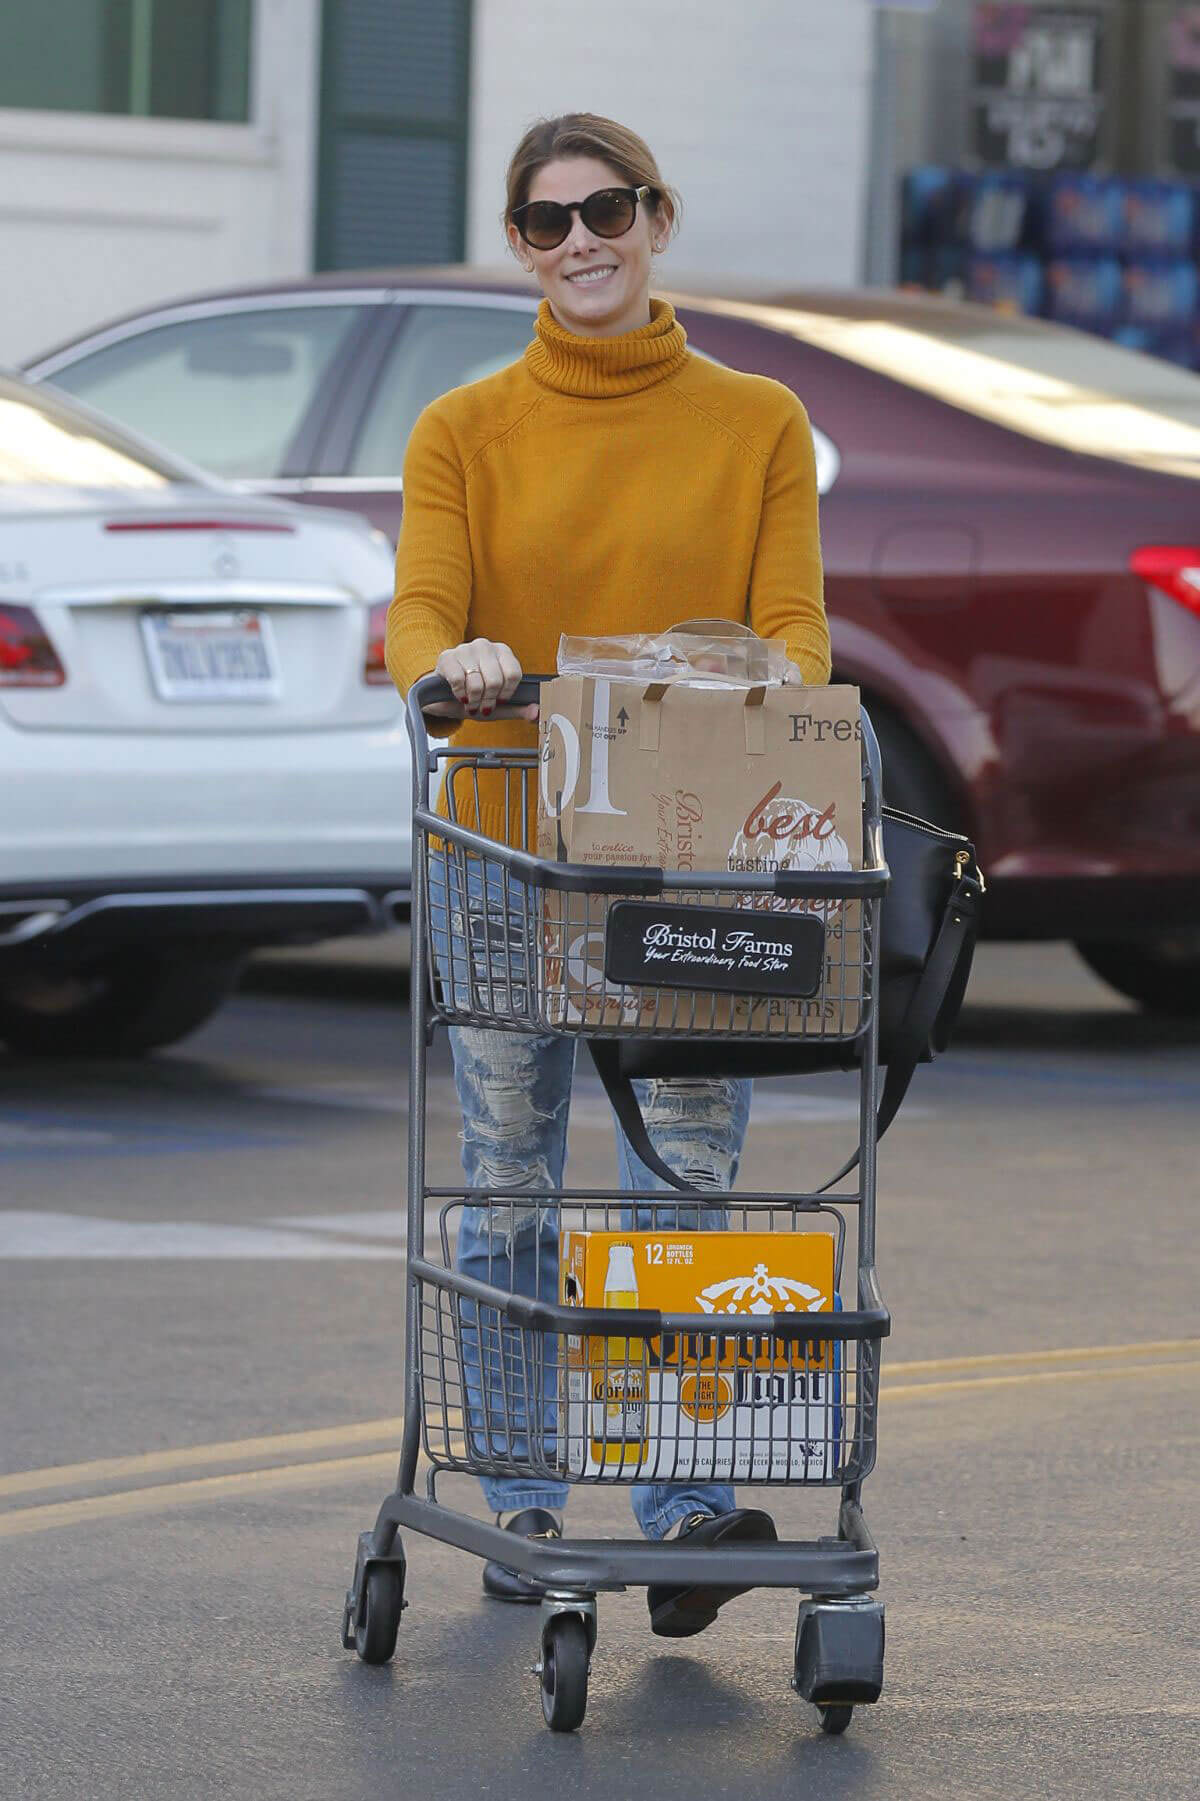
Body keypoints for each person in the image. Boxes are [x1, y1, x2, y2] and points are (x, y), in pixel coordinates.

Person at [386, 112, 831, 1637]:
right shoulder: (462, 429)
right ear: (518, 241)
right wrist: (457, 657)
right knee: (506, 1172)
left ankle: (685, 1492)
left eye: (612, 208)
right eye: (548, 219)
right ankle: (518, 1482)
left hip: (684, 857)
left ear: (659, 217)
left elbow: (799, 633)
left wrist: (748, 670)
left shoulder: (757, 418)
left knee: (685, 1179)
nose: (584, 240)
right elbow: (420, 617)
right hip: (510, 833)